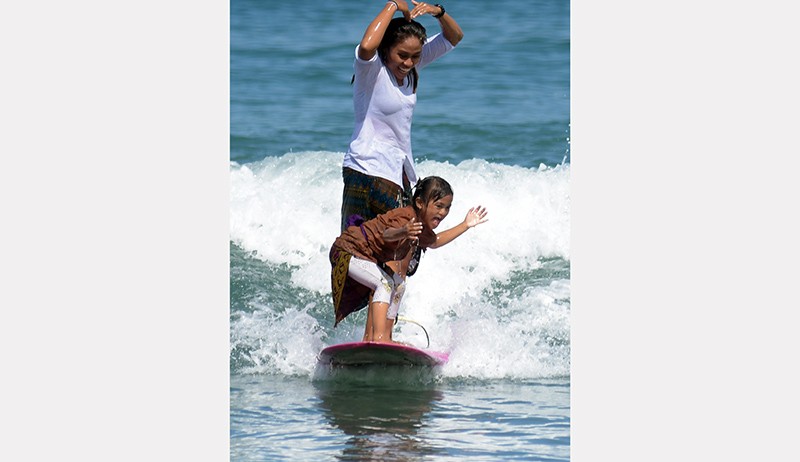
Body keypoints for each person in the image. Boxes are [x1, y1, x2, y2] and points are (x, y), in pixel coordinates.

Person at [340, 0, 464, 235]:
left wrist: (438, 11)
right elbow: (367, 46)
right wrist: (394, 5)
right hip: (365, 170)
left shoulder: (410, 68)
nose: (408, 62)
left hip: (395, 173)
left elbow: (453, 37)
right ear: (387, 50)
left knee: (400, 246)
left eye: (415, 56)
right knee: (357, 243)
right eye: (402, 55)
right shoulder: (372, 71)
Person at [330, 176, 488, 343]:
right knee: (384, 284)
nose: (443, 212)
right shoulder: (405, 217)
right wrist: (404, 232)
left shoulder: (422, 226)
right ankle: (378, 338)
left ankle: (386, 336)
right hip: (348, 250)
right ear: (420, 203)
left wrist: (465, 225)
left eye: (447, 208)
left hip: (364, 256)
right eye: (439, 206)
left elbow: (435, 242)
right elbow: (387, 234)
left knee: (399, 285)